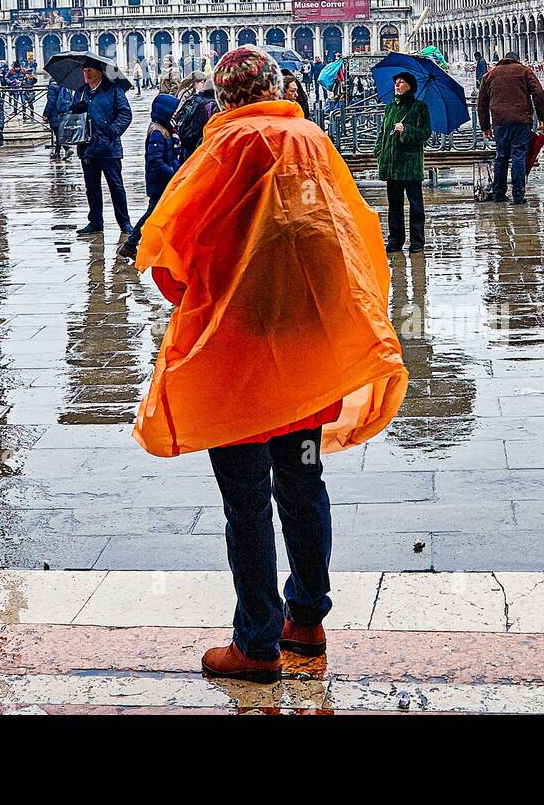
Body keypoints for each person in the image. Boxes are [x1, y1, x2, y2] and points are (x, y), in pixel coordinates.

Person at [133, 46, 408, 683]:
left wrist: (198, 302)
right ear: (276, 86)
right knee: (303, 482)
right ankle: (306, 617)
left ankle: (255, 644)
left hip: (236, 355)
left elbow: (172, 244)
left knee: (247, 502)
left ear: (223, 96)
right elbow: (348, 228)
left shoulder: (225, 146)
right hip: (304, 354)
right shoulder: (310, 138)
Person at [70, 63, 133, 239]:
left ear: (99, 72)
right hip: (87, 147)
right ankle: (95, 221)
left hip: (108, 147)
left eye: (90, 70)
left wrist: (111, 132)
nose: (87, 73)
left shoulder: (113, 90)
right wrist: (75, 111)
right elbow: (73, 118)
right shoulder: (80, 92)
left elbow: (125, 114)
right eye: (84, 70)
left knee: (116, 186)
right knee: (92, 187)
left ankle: (124, 222)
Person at [478, 49, 544, 204]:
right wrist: (542, 117)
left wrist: (485, 126)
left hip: (500, 122)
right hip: (521, 120)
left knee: (501, 156)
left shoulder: (490, 75)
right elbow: (539, 93)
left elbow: (481, 103)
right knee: (518, 155)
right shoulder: (524, 71)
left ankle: (499, 193)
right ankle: (518, 195)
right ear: (517, 60)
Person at [121, 93, 181, 260]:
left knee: (157, 213)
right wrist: (173, 174)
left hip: (166, 180)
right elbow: (155, 160)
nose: (175, 114)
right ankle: (130, 244)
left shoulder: (167, 128)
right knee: (151, 214)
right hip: (161, 182)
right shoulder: (157, 131)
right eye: (173, 110)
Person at [376, 70, 431, 252]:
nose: (397, 85)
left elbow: (425, 133)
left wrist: (405, 130)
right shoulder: (390, 107)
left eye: (401, 82)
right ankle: (395, 240)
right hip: (392, 165)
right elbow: (382, 132)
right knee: (394, 205)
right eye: (396, 82)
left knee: (415, 205)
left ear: (410, 85)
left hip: (410, 165)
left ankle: (417, 241)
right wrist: (379, 150)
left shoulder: (419, 107)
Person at [42, 81, 74, 158]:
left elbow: (51, 101)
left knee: (58, 133)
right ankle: (57, 152)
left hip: (55, 113)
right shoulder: (67, 84)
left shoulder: (52, 86)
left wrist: (46, 114)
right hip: (65, 112)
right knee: (60, 132)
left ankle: (67, 148)